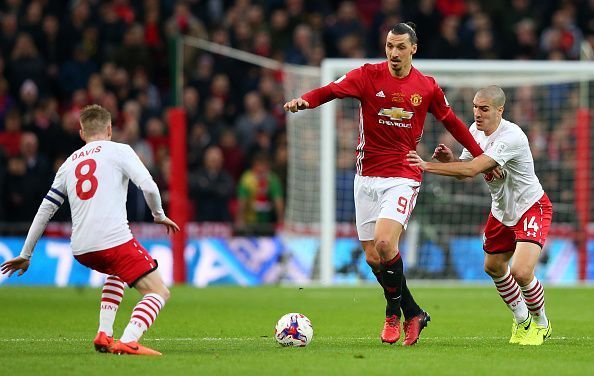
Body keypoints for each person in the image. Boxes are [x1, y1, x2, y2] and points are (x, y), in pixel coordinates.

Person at [284, 22, 485, 346]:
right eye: (390, 46)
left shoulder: (427, 87)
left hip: (403, 175)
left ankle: (393, 314)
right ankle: (415, 312)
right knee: (373, 258)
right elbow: (331, 90)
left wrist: (480, 156)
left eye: (401, 47)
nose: (394, 52)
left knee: (384, 244)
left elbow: (453, 123)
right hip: (366, 176)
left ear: (413, 49)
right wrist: (305, 101)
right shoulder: (366, 75)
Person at [0, 104, 179, 355]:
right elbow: (149, 187)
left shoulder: (68, 163)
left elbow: (45, 210)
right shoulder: (120, 150)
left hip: (81, 248)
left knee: (117, 271)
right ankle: (129, 340)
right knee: (159, 292)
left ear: (82, 133)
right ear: (109, 129)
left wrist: (26, 254)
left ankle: (104, 334)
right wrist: (159, 215)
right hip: (113, 240)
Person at [407, 85, 553, 346]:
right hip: (501, 211)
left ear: (500, 110)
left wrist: (426, 165)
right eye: (475, 107)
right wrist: (448, 159)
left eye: (484, 108)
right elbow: (464, 172)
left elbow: (474, 168)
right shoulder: (474, 131)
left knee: (520, 271)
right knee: (493, 267)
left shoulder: (512, 136)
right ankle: (522, 320)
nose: (477, 113)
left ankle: (541, 322)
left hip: (530, 206)